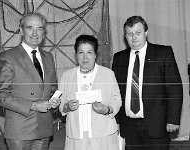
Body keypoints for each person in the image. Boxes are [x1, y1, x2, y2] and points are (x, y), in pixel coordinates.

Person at [112, 16, 183, 150]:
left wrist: (173, 119)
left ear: (146, 33)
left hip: (157, 124)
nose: (134, 38)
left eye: (138, 33)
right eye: (129, 34)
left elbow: (174, 88)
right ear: (125, 36)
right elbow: (115, 92)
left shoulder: (163, 53)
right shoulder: (119, 58)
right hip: (129, 126)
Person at [0, 12, 60, 150]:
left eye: (40, 28)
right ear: (21, 30)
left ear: (44, 32)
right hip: (20, 129)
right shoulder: (8, 57)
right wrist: (33, 105)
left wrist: (54, 101)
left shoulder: (49, 57)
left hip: (44, 127)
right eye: (30, 28)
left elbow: (52, 87)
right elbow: (0, 96)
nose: (35, 33)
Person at [58, 34, 122, 150]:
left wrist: (107, 109)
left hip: (104, 134)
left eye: (89, 52)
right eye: (81, 52)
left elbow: (116, 98)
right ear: (76, 55)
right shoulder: (66, 76)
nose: (85, 57)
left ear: (95, 55)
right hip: (76, 136)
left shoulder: (107, 74)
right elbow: (61, 102)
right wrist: (67, 106)